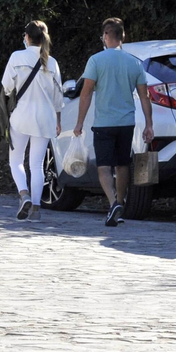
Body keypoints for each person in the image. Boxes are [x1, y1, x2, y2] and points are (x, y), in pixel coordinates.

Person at [73, 17, 154, 227]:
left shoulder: (96, 60)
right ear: (123, 36)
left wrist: (79, 123)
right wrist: (149, 124)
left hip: (104, 124)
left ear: (107, 36)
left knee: (103, 167)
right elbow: (145, 96)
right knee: (122, 165)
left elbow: (86, 93)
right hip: (126, 123)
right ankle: (120, 203)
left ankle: (112, 204)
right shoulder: (134, 62)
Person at [1, 21, 64, 221]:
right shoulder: (52, 62)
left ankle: (23, 194)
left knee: (16, 161)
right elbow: (58, 98)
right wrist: (58, 121)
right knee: (37, 165)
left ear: (27, 37)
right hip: (45, 119)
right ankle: (36, 209)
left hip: (21, 116)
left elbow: (7, 87)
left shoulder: (16, 57)